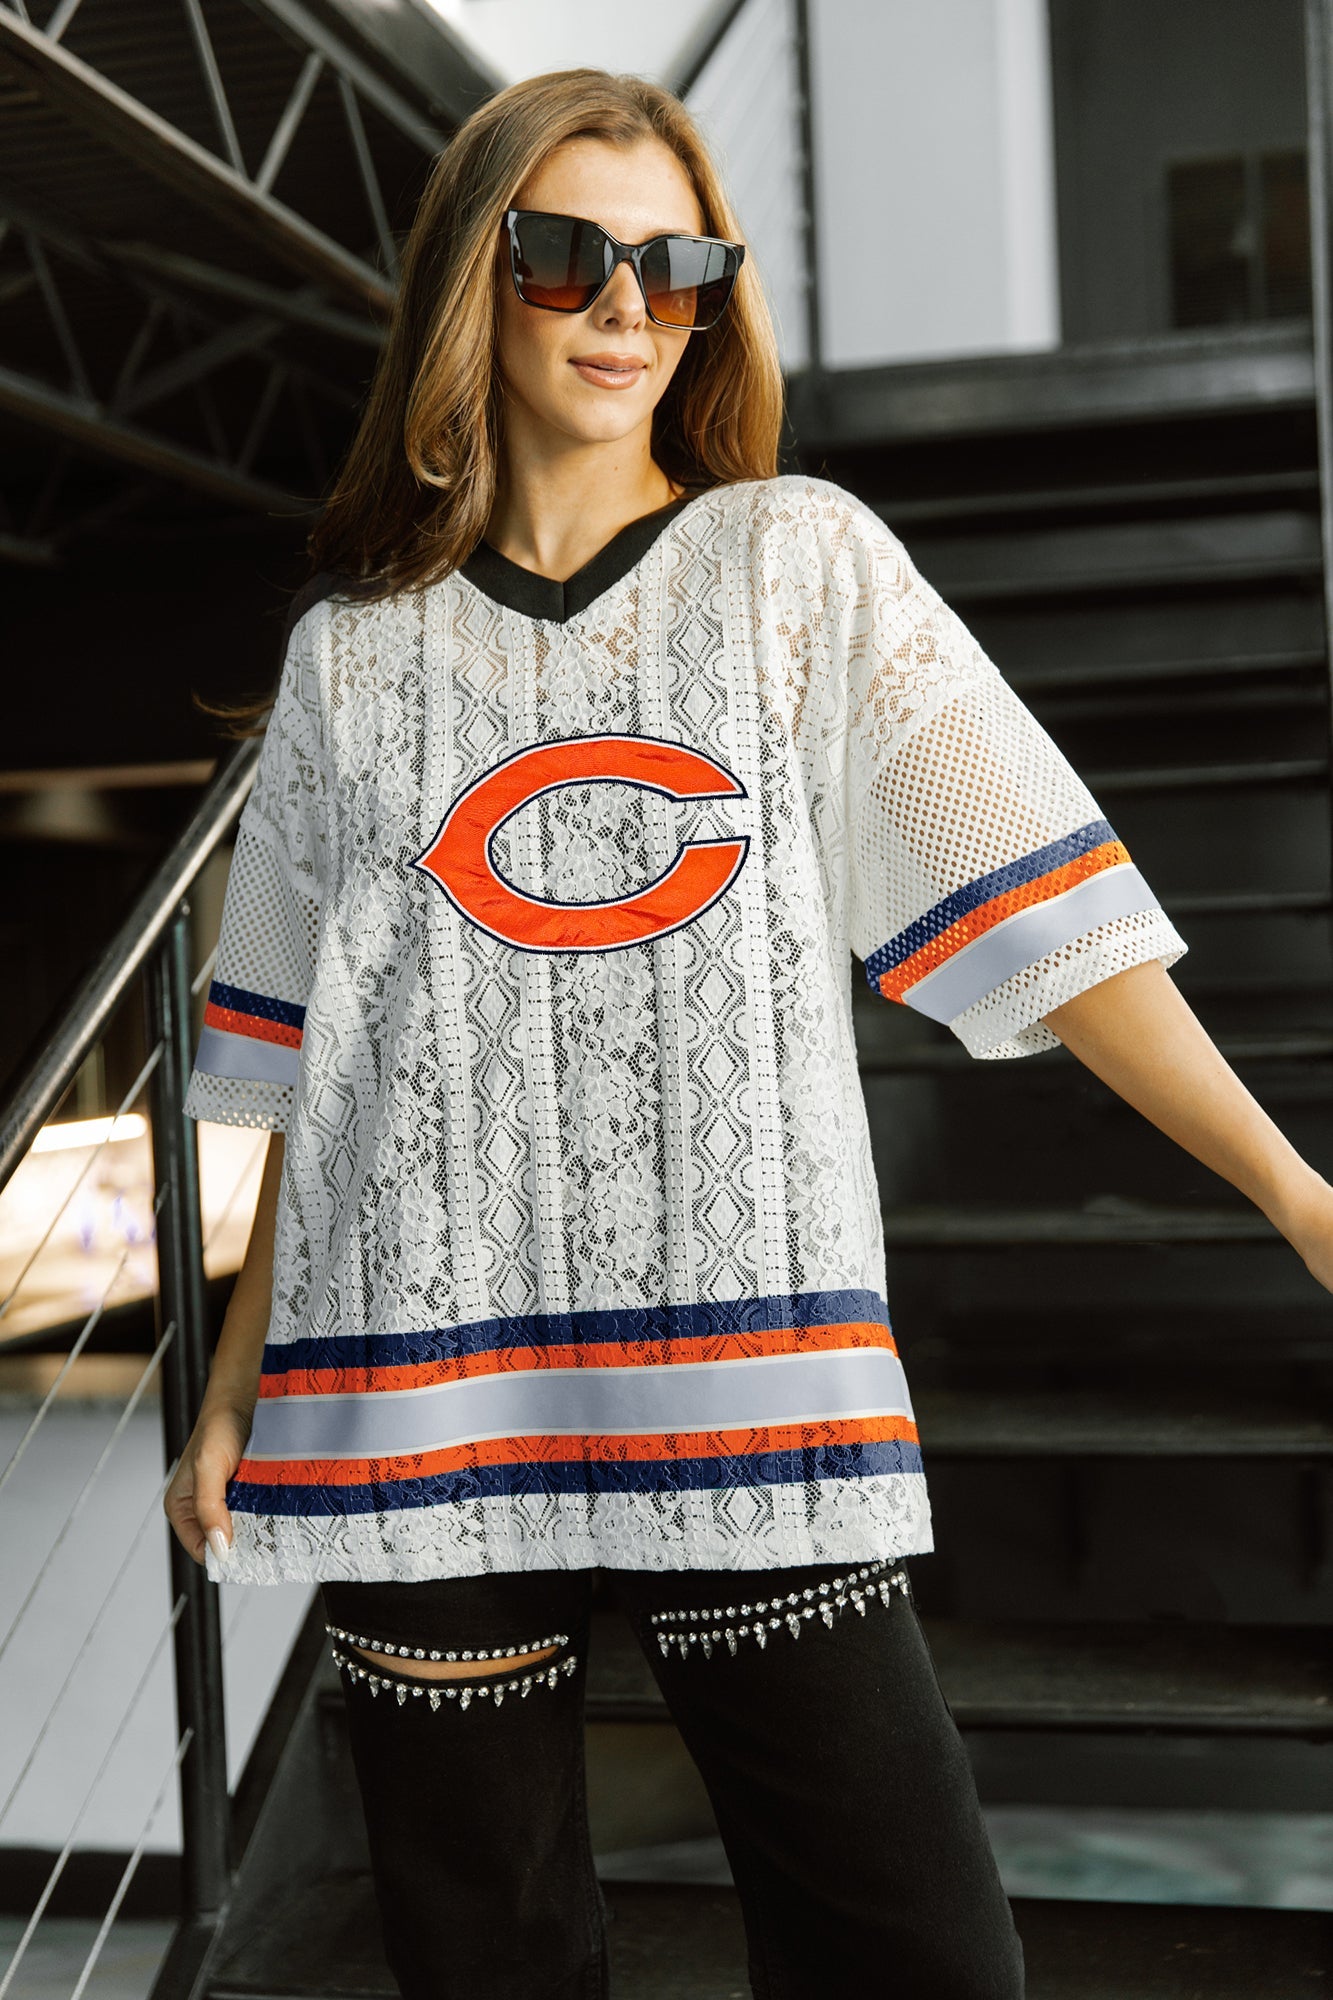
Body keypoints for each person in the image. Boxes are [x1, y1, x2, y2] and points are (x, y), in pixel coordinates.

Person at [163, 65, 1333, 2000]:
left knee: (918, 1958)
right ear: (471, 278)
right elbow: (314, 1065)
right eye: (568, 255)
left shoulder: (795, 563)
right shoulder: (348, 659)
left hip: (747, 1366)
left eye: (678, 265)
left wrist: (1293, 1191)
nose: (627, 307)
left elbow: (1042, 919)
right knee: (486, 1967)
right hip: (406, 1397)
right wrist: (232, 1383)